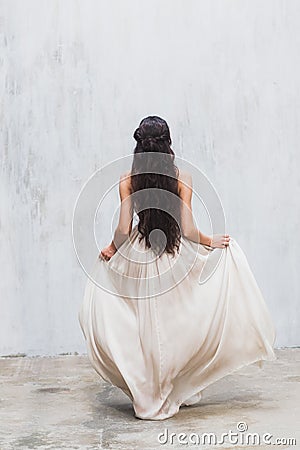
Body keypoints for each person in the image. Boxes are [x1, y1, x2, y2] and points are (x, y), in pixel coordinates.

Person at [78, 115, 276, 420]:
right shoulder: (183, 178)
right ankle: (172, 387)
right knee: (174, 325)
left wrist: (113, 248)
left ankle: (149, 396)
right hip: (173, 256)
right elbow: (187, 230)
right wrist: (211, 242)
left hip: (140, 254)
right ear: (168, 144)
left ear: (138, 147)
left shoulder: (128, 180)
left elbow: (122, 229)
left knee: (143, 328)